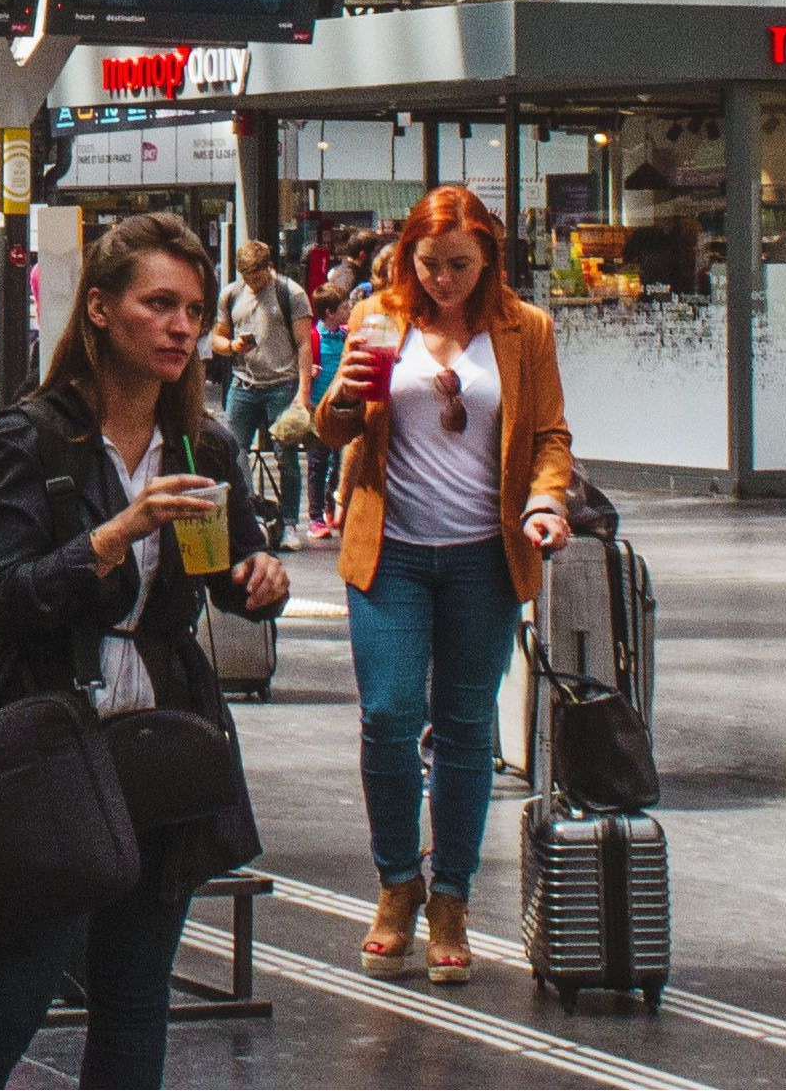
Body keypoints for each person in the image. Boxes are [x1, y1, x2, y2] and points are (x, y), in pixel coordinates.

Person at [0, 212, 287, 1091]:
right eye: (159, 304)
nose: (181, 328)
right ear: (97, 312)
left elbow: (220, 570)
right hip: (47, 743)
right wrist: (119, 530)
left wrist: (256, 577)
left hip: (159, 739)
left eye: (194, 310)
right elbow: (1, 599)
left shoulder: (204, 442)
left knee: (134, 996)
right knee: (15, 991)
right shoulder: (30, 441)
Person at [314, 186, 575, 989]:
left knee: (465, 727)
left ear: (491, 257)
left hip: (482, 557)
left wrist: (546, 498)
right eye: (428, 263)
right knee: (389, 715)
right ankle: (398, 884)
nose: (443, 280)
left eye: (460, 264)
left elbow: (550, 436)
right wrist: (346, 391)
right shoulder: (377, 320)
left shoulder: (525, 330)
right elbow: (330, 429)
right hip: (387, 550)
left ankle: (451, 898)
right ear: (408, 258)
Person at [214, 239, 316, 535]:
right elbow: (218, 339)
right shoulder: (231, 294)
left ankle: (288, 523)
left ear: (268, 268)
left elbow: (304, 345)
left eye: (256, 278)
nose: (252, 284)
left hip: (282, 384)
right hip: (244, 383)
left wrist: (303, 393)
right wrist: (232, 346)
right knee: (235, 450)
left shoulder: (290, 293)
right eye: (246, 278)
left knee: (286, 456)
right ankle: (251, 516)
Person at [305, 280, 353, 540]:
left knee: (340, 461)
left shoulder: (346, 336)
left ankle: (330, 506)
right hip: (317, 407)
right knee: (317, 462)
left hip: (340, 407)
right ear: (330, 313)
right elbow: (298, 365)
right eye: (344, 307)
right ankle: (314, 517)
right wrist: (307, 371)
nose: (349, 311)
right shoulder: (313, 337)